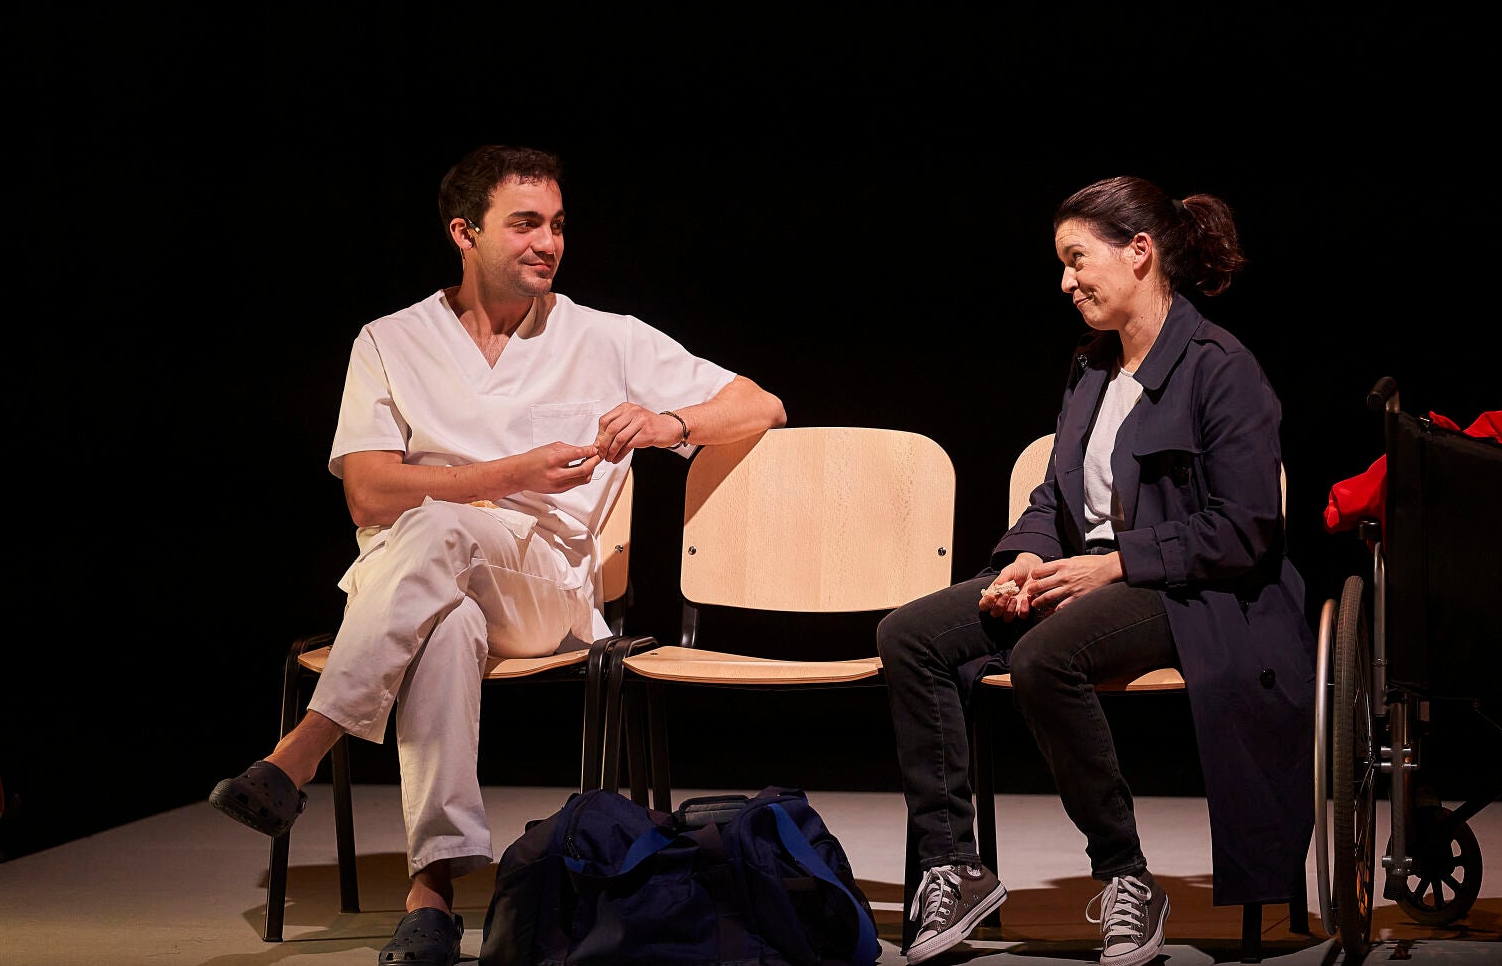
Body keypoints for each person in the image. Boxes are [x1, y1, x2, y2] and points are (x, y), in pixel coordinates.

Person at [209, 145, 787, 966]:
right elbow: (368, 494)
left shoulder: (603, 336)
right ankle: (431, 898)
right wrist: (507, 474)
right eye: (524, 224)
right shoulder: (390, 340)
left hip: (543, 586)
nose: (547, 242)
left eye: (557, 224)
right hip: (412, 586)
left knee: (436, 525)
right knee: (444, 622)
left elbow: (760, 404)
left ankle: (301, 749)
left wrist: (670, 424)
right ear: (464, 233)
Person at [877, 176, 1315, 966]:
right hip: (1092, 576)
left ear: (1139, 252)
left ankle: (1125, 875)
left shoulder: (1221, 368)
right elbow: (1056, 493)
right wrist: (1024, 557)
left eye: (1077, 259)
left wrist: (1115, 564)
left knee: (1046, 655)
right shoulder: (1091, 369)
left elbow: (1246, 526)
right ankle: (954, 865)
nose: (1065, 281)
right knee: (909, 634)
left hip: (1192, 592)